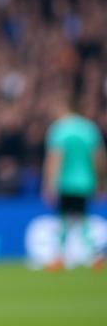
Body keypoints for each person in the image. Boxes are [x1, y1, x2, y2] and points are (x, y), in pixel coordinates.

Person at [41, 92, 106, 270]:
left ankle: (58, 257)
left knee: (63, 219)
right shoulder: (89, 128)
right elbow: (98, 158)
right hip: (85, 182)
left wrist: (49, 185)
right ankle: (95, 254)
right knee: (82, 217)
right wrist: (101, 183)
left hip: (65, 182)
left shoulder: (59, 129)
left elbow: (55, 158)